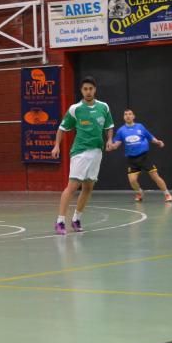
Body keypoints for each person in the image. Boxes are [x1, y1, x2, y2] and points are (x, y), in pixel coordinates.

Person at [50, 76, 114, 234]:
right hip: (80, 152)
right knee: (72, 186)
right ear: (81, 91)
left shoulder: (103, 107)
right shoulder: (75, 109)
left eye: (90, 89)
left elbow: (109, 126)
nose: (88, 91)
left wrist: (110, 140)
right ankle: (60, 222)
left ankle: (76, 219)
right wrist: (56, 145)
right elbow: (62, 128)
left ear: (95, 90)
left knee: (88, 187)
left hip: (97, 151)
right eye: (85, 89)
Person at [108, 109, 172, 202]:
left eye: (130, 114)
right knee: (132, 181)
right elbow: (117, 144)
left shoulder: (140, 127)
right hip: (132, 159)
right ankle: (139, 192)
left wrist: (158, 142)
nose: (128, 116)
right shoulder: (121, 130)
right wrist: (111, 147)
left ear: (133, 116)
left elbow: (150, 137)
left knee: (155, 176)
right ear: (123, 117)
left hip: (144, 157)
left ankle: (167, 194)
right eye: (125, 114)